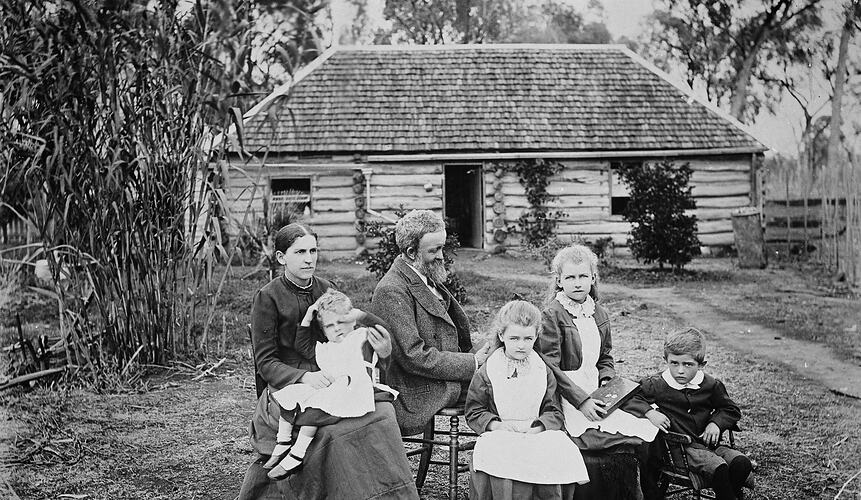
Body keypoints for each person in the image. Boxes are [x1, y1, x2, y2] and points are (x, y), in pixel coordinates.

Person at [238, 223, 418, 500]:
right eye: (299, 252)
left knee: (381, 414)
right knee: (335, 430)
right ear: (281, 257)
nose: (309, 258)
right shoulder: (268, 297)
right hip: (286, 387)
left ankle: (389, 494)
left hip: (334, 375)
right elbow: (266, 362)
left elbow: (347, 337)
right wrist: (304, 377)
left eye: (313, 250)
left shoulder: (327, 289)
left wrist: (380, 352)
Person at [537, 244, 657, 499]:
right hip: (569, 394)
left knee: (646, 430)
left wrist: (608, 380)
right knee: (606, 439)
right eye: (570, 277)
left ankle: (645, 489)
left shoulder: (598, 312)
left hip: (598, 390)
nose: (577, 283)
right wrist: (581, 401)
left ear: (593, 278)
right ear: (559, 281)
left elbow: (605, 357)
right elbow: (550, 367)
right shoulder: (552, 315)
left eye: (583, 276)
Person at [371, 209, 492, 436]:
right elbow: (413, 357)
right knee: (503, 391)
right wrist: (473, 363)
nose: (441, 256)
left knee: (513, 379)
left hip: (439, 374)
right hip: (416, 388)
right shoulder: (392, 290)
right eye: (434, 250)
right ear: (410, 252)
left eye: (442, 248)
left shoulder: (424, 277)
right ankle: (499, 463)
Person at [264, 289, 398, 480]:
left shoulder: (361, 338)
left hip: (356, 389)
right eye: (329, 325)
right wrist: (307, 319)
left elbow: (384, 329)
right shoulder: (327, 347)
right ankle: (283, 442)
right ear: (323, 330)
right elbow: (302, 346)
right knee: (290, 394)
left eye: (341, 321)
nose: (336, 328)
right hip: (333, 389)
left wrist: (362, 315)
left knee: (315, 408)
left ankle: (297, 455)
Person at [465, 300, 589, 500]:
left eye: (527, 338)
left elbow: (553, 411)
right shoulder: (489, 370)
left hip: (535, 430)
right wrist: (496, 426)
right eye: (514, 338)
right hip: (502, 431)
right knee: (500, 455)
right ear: (501, 335)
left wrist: (538, 428)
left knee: (556, 449)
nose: (521, 346)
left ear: (536, 336)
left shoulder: (542, 369)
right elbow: (475, 410)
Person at [626, 328, 753, 500]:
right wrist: (650, 412)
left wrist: (715, 423)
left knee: (741, 463)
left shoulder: (711, 385)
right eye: (674, 363)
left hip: (711, 445)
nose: (680, 371)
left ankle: (730, 493)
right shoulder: (657, 384)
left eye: (688, 364)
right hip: (684, 450)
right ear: (666, 360)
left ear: (701, 365)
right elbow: (629, 397)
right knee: (719, 467)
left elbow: (730, 409)